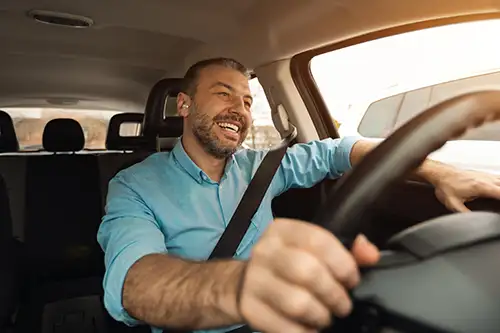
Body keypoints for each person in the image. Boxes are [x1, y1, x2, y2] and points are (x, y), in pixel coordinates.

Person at [97, 58, 500, 333]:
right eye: (223, 94)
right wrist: (242, 287)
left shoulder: (264, 167)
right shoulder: (134, 185)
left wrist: (438, 172)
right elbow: (134, 282)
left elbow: (341, 150)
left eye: (247, 100)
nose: (240, 109)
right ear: (183, 105)